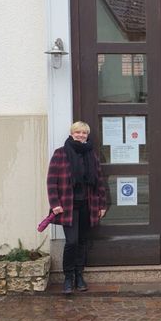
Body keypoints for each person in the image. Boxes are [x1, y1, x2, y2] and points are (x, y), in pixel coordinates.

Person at [47, 121, 107, 294]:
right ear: (72, 133)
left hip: (87, 206)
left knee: (82, 242)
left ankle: (79, 276)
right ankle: (68, 277)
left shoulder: (92, 154)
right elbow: (51, 181)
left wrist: (102, 204)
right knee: (71, 242)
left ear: (87, 135)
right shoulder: (60, 153)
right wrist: (55, 204)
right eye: (78, 132)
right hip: (67, 206)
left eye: (84, 133)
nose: (81, 135)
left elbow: (99, 182)